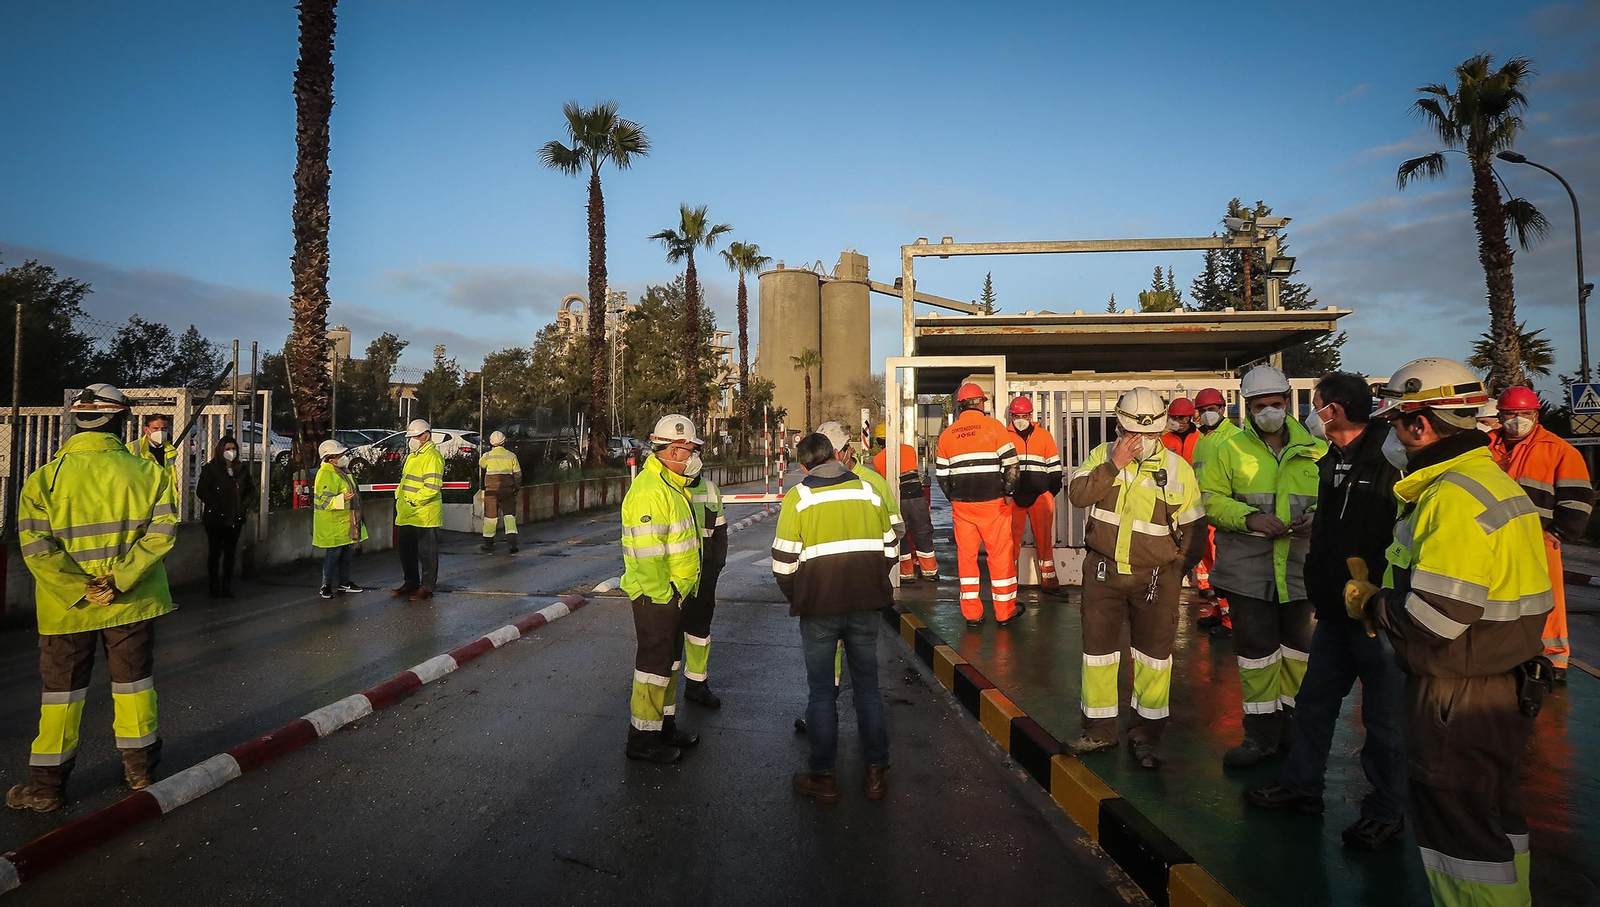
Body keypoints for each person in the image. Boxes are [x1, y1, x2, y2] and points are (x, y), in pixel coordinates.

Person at [1345, 357, 1550, 907]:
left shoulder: (1452, 497)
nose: (1391, 433)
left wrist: (1372, 601)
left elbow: (1436, 618)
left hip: (1457, 694)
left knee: (1459, 835)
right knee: (1495, 821)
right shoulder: (1491, 481)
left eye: (1394, 421)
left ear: (1421, 423)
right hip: (1502, 684)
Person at [1244, 372, 1407, 851]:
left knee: (1383, 719)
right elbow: (1344, 518)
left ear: (1332, 410)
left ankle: (1386, 810)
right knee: (1314, 702)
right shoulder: (1333, 458)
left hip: (1378, 615)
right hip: (1336, 609)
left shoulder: (1388, 457)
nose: (1308, 413)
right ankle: (1301, 787)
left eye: (1314, 405)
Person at [8, 384, 178, 812]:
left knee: (61, 695)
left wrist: (78, 588)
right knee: (134, 685)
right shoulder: (150, 474)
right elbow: (161, 535)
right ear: (121, 421)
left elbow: (35, 547)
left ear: (76, 420)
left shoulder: (42, 479)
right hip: (131, 603)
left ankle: (46, 788)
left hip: (66, 610)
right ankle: (140, 769)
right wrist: (117, 582)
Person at [1067, 387, 1206, 768]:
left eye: (1149, 435)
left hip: (1156, 580)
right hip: (1103, 573)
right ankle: (1098, 732)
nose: (1141, 442)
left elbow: (1194, 528)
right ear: (1118, 427)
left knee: (1154, 659)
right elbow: (1078, 495)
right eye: (1133, 434)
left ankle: (1145, 736)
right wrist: (1113, 464)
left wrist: (1176, 572)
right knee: (1098, 656)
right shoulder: (1100, 456)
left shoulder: (1179, 469)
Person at [1201, 366, 1326, 767]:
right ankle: (1260, 736)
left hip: (1300, 570)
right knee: (1256, 654)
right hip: (1248, 571)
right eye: (1260, 406)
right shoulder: (1229, 448)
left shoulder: (1316, 449)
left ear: (1287, 402)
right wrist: (1249, 517)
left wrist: (1316, 517)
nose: (1269, 411)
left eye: (1275, 404)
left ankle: (1293, 729)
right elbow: (1211, 500)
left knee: (1299, 653)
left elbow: (1334, 499)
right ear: (1247, 407)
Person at [774, 432, 894, 804]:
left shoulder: (800, 497)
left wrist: (802, 597)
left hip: (820, 609)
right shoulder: (868, 491)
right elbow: (891, 547)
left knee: (822, 692)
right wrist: (869, 581)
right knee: (868, 688)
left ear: (805, 465)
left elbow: (782, 565)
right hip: (865, 606)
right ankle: (875, 775)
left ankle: (824, 777)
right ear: (835, 456)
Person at [1486, 385, 1593, 683]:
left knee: (1547, 604)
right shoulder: (1484, 449)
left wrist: (1557, 532)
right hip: (1493, 541)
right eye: (1511, 414)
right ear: (1500, 415)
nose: (1517, 419)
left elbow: (1578, 500)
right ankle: (1502, 655)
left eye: (1525, 413)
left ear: (1536, 414)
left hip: (1538, 542)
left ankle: (1551, 662)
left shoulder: (1558, 450)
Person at [619, 414, 703, 764]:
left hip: (674, 595)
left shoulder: (672, 484)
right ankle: (642, 741)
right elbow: (647, 553)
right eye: (687, 451)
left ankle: (664, 727)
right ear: (668, 451)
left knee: (668, 665)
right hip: (657, 597)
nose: (693, 457)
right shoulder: (650, 491)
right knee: (653, 668)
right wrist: (665, 594)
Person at [935, 383, 1022, 628]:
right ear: (982, 403)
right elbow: (1012, 466)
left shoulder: (947, 435)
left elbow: (942, 475)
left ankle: (972, 614)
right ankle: (1004, 612)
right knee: (1000, 557)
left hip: (963, 507)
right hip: (993, 504)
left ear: (960, 405)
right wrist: (1009, 493)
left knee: (967, 558)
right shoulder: (995, 428)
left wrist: (954, 497)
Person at [681, 440, 728, 709]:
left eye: (696, 453)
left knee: (700, 632)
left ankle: (697, 684)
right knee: (674, 634)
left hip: (705, 575)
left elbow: (720, 531)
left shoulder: (711, 489)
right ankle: (665, 693)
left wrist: (716, 566)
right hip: (676, 577)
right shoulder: (671, 489)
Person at [1191, 387, 1240, 635]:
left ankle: (1231, 621)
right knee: (1210, 567)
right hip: (1203, 512)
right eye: (1203, 410)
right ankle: (1218, 611)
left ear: (1223, 409)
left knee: (1224, 568)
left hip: (1222, 512)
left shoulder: (1232, 437)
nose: (1208, 414)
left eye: (1212, 409)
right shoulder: (1204, 439)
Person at [1006, 396, 1064, 593]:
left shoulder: (1044, 436)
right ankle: (1009, 582)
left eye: (1023, 415)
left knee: (1044, 539)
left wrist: (1050, 491)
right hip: (1014, 496)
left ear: (1031, 415)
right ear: (1011, 416)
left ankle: (1049, 581)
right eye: (1016, 416)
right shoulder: (1004, 436)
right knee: (1010, 540)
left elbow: (1055, 467)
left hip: (1040, 496)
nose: (1020, 419)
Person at [872, 423, 941, 583]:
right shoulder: (909, 450)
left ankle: (905, 573)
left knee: (901, 536)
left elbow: (882, 482)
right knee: (922, 533)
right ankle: (930, 571)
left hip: (898, 500)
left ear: (879, 441)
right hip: (917, 497)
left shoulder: (878, 459)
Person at [196, 434, 254, 599]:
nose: (231, 452)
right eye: (227, 449)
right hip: (215, 519)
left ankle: (227, 584)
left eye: (233, 449)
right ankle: (213, 585)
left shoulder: (241, 469)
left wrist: (243, 506)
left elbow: (250, 489)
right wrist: (216, 505)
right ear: (220, 450)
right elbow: (202, 491)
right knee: (215, 552)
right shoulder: (211, 469)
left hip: (235, 518)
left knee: (230, 553)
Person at [392, 419, 444, 602]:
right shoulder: (413, 456)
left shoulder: (432, 456)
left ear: (426, 436)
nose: (411, 440)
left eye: (414, 436)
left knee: (427, 553)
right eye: (410, 437)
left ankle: (427, 587)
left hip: (424, 513)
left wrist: (413, 501)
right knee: (406, 551)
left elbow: (432, 487)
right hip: (407, 513)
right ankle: (410, 583)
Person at [313, 439, 367, 600]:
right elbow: (323, 501)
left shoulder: (342, 471)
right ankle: (326, 585)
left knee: (344, 553)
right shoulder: (325, 474)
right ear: (330, 458)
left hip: (344, 522)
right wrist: (341, 498)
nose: (343, 457)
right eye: (340, 455)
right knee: (333, 554)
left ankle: (344, 583)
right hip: (332, 523)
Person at [479, 430, 522, 554]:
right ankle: (512, 544)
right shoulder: (511, 456)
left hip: (491, 491)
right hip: (507, 490)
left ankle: (488, 544)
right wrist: (516, 487)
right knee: (509, 516)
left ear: (491, 443)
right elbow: (518, 474)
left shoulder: (487, 456)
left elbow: (481, 465)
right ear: (505, 442)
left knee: (490, 518)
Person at [127, 413, 179, 484]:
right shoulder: (132, 447)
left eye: (163, 429)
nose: (160, 432)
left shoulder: (170, 450)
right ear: (146, 430)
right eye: (155, 428)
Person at [1161, 397, 1200, 463]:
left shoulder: (1200, 438)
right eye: (1173, 417)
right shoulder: (1163, 440)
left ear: (1188, 418)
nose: (1176, 421)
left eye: (1181, 418)